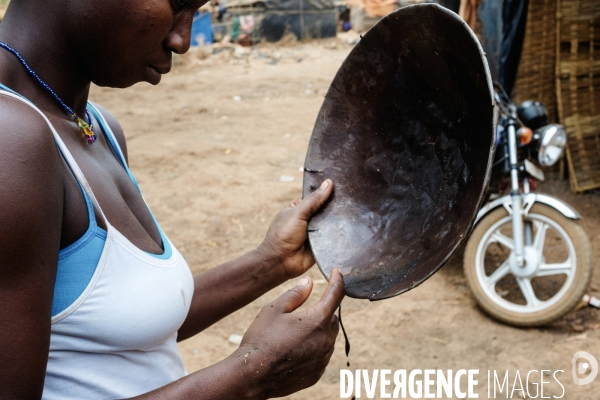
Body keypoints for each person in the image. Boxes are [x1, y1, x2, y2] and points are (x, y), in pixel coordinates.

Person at [0, 0, 345, 398]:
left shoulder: (96, 126)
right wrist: (249, 375)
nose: (182, 40)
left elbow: (129, 324)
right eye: (177, 3)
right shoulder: (11, 137)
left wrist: (271, 260)